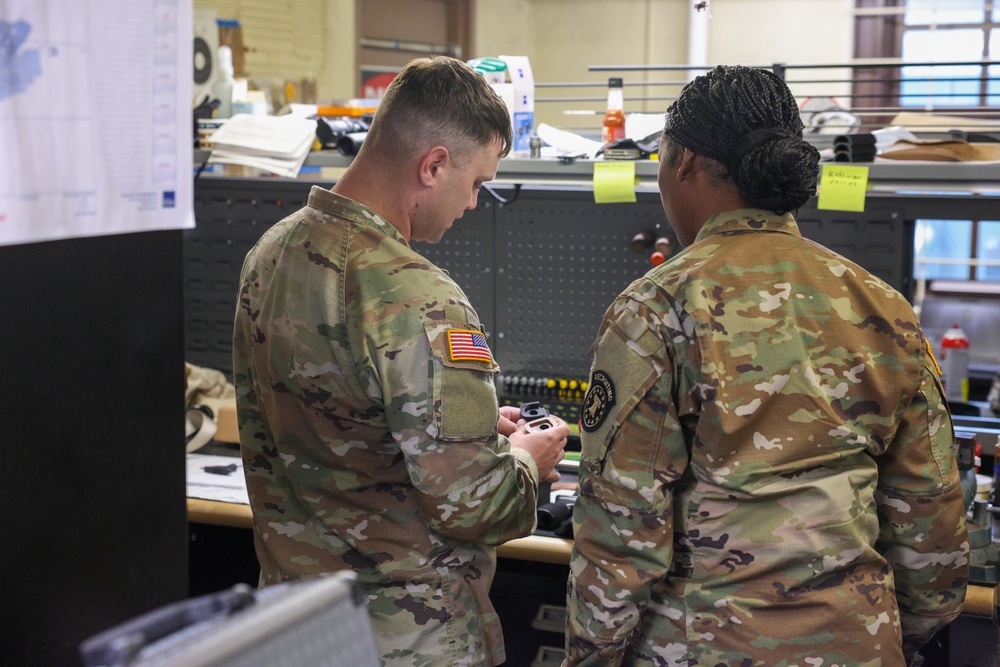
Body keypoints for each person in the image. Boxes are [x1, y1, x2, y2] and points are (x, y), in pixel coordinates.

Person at [565, 65, 969, 667]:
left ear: (683, 163)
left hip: (705, 647)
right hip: (859, 646)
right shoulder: (883, 308)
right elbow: (931, 530)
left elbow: (621, 532)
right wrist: (878, 634)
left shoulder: (658, 309)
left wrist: (590, 657)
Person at [232, 55, 569, 667]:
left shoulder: (270, 253)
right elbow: (473, 504)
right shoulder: (421, 297)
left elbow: (317, 420)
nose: (474, 203)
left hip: (293, 627)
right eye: (475, 183)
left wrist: (454, 428)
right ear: (433, 165)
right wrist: (528, 459)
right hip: (404, 639)